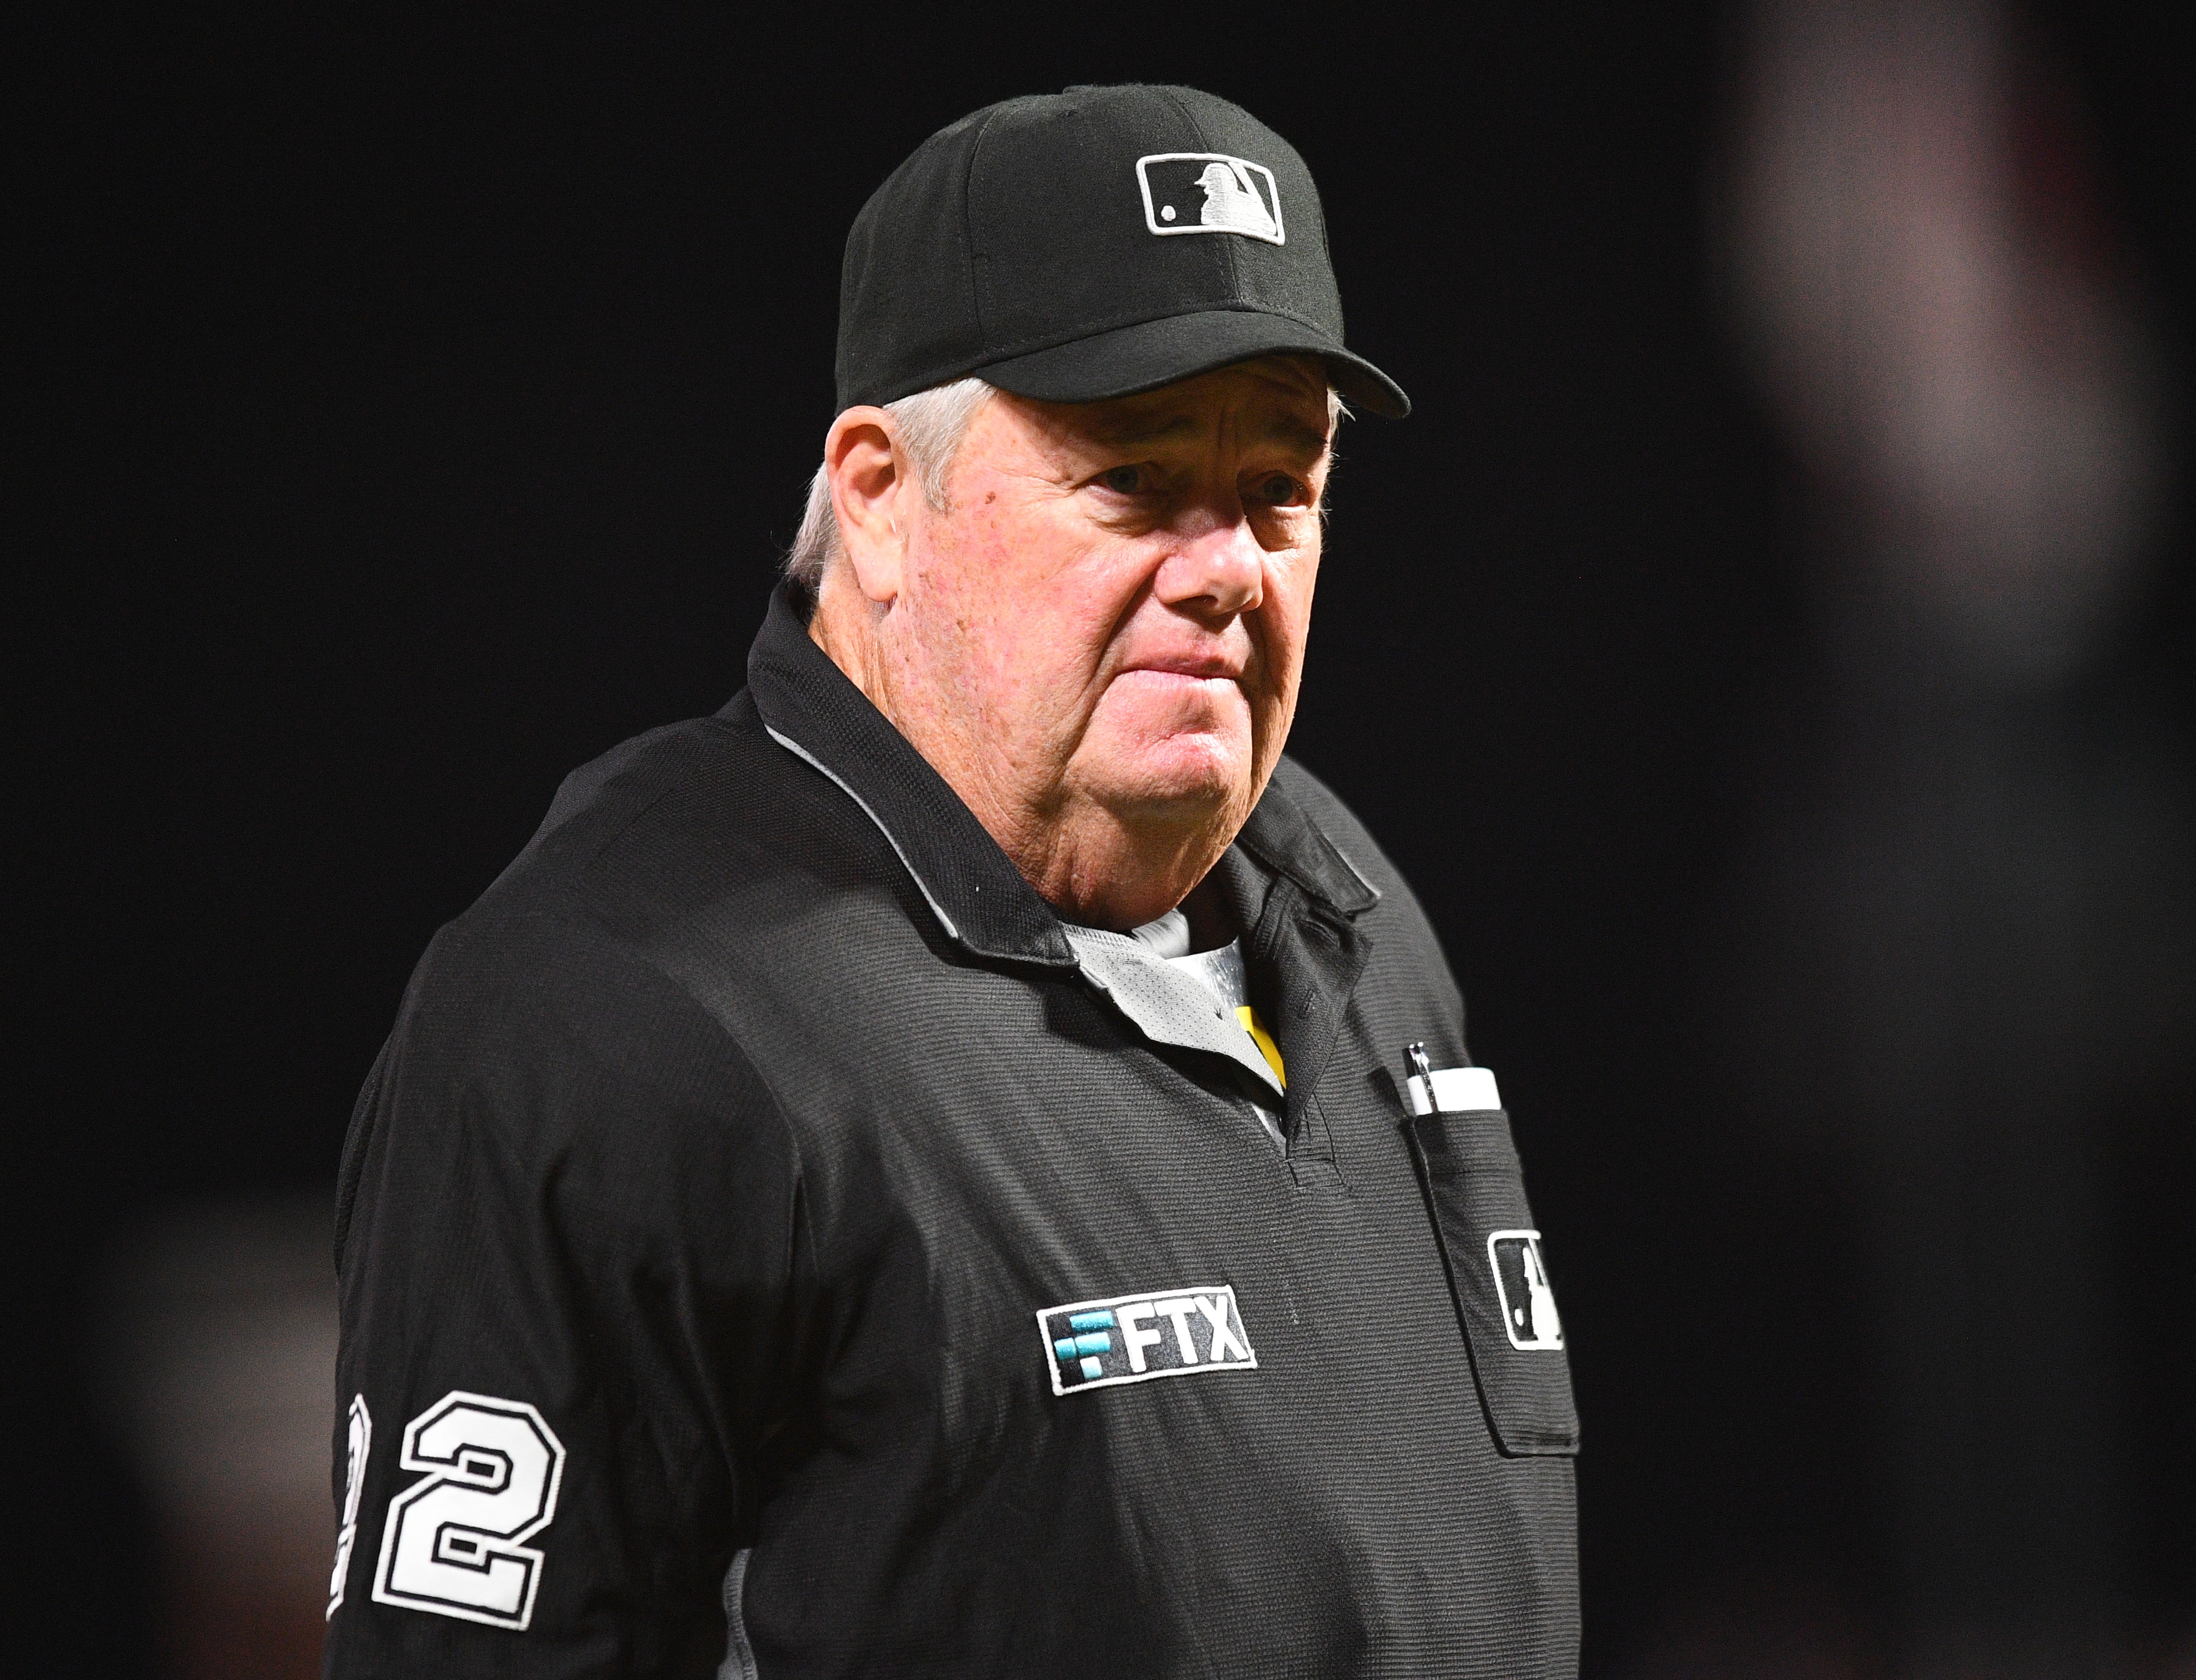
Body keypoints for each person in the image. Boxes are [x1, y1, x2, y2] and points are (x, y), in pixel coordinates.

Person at [325, 84, 1578, 1678]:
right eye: (1130, 479)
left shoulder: (1357, 919)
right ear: (875, 499)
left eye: (1279, 490)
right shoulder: (615, 1012)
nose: (1227, 567)